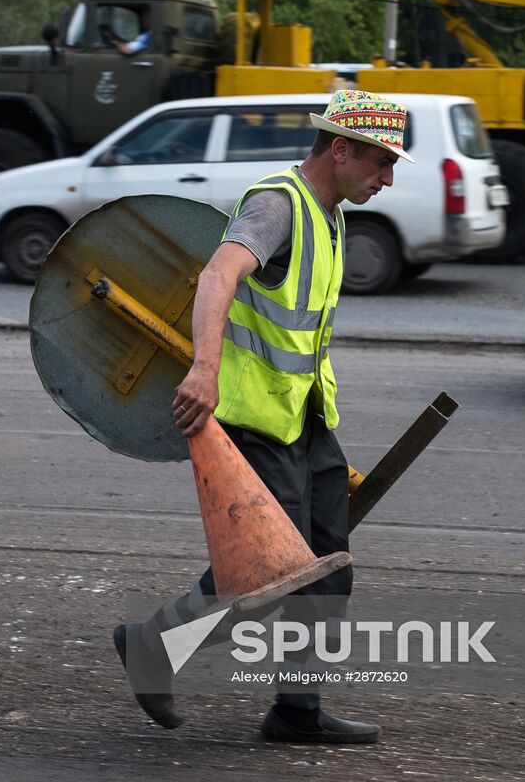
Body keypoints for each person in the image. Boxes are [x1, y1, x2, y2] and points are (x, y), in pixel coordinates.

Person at [113, 89, 414, 744]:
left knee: (330, 563)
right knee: (265, 573)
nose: (387, 178)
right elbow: (218, 275)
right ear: (340, 149)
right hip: (252, 419)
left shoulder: (329, 215)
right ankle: (152, 643)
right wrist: (203, 370)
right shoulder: (277, 204)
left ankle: (295, 712)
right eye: (381, 162)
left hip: (305, 420)